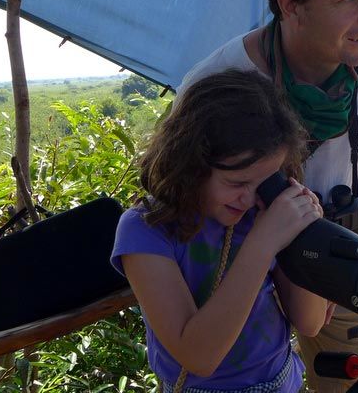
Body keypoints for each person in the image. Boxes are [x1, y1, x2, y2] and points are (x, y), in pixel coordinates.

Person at [178, 0, 358, 392]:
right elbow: (181, 195)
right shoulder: (217, 83)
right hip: (239, 264)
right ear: (290, 4)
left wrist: (349, 265)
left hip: (335, 259)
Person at [111, 69, 328, 392]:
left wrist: (307, 235)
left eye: (265, 181)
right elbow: (199, 356)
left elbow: (309, 322)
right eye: (236, 183)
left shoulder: (260, 212)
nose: (250, 197)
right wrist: (263, 242)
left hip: (281, 381)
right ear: (192, 166)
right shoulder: (145, 231)